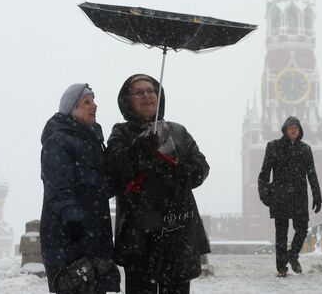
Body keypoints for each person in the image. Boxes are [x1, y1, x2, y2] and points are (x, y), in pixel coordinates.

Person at [107, 74, 210, 294]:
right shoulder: (121, 133)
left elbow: (201, 165)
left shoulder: (178, 131)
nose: (147, 96)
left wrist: (188, 172)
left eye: (151, 91)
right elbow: (116, 168)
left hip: (178, 232)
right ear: (128, 100)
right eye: (138, 92)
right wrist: (139, 149)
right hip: (140, 235)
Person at [40, 83, 121, 294]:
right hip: (69, 240)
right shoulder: (58, 141)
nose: (94, 105)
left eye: (94, 100)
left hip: (96, 236)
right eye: (87, 102)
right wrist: (78, 225)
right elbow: (58, 191)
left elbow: (100, 187)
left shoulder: (94, 142)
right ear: (72, 109)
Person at [258, 116, 322, 278]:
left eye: (296, 127)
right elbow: (264, 173)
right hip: (279, 196)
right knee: (281, 233)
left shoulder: (305, 149)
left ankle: (292, 255)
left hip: (299, 196)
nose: (293, 130)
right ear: (285, 130)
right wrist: (264, 194)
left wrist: (317, 195)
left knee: (301, 229)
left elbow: (312, 174)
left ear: (299, 131)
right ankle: (281, 268)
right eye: (290, 127)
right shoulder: (274, 147)